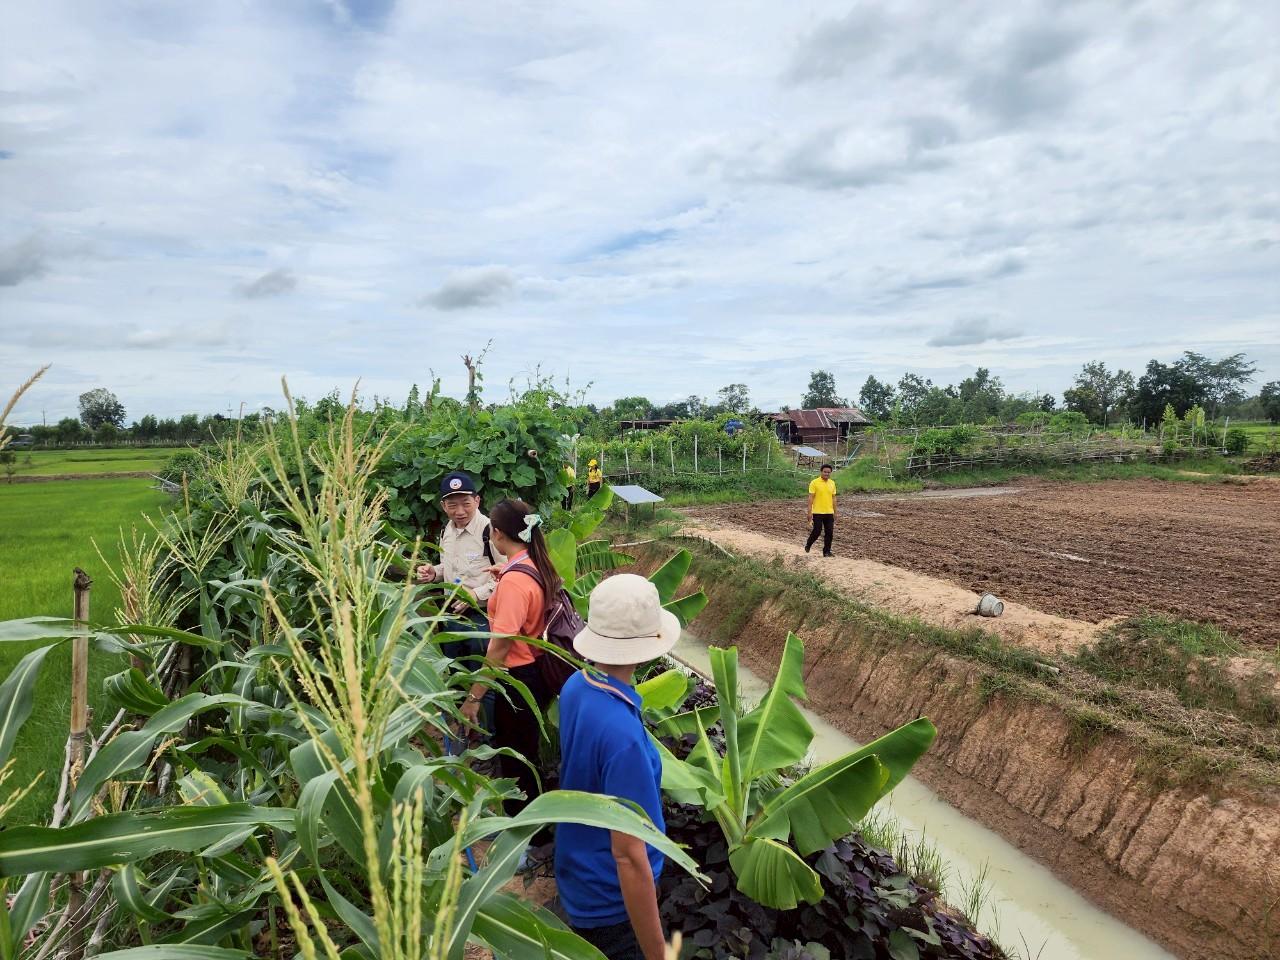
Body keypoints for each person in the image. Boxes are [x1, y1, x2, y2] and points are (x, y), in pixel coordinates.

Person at [556, 574, 679, 960]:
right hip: (611, 901)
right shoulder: (622, 736)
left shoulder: (577, 685)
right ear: (646, 648)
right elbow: (628, 855)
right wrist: (658, 953)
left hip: (577, 870)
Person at [459, 498, 560, 817]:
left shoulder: (516, 582)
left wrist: (474, 698)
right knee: (523, 752)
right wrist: (505, 572)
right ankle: (534, 826)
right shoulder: (532, 563)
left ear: (498, 533)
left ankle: (526, 834)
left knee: (517, 760)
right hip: (533, 671)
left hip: (517, 681)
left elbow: (500, 647)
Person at [415, 472, 503, 662]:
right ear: (443, 506)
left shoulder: (491, 530)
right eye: (452, 505)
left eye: (466, 503)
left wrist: (475, 595)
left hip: (482, 616)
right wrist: (434, 572)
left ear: (477, 501)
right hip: (451, 613)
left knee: (480, 675)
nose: (460, 511)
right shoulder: (447, 530)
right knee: (453, 670)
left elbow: (509, 575)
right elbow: (450, 566)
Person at [804, 463, 837, 557]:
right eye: (825, 472)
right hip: (817, 512)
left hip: (829, 512)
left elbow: (834, 498)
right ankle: (809, 544)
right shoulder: (814, 482)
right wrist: (809, 512)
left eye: (828, 472)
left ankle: (826, 551)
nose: (826, 474)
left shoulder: (832, 483)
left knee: (829, 533)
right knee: (817, 531)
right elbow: (811, 498)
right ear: (821, 472)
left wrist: (835, 511)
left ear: (831, 473)